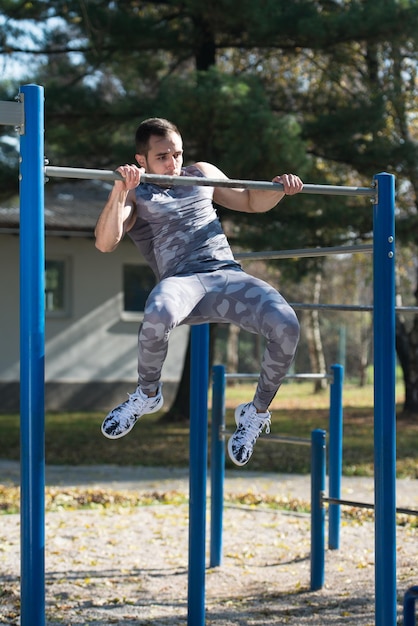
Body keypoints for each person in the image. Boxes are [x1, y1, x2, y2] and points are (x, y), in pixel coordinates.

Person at [95, 117, 303, 466]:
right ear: (141, 159)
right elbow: (105, 243)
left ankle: (255, 412)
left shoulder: (200, 173)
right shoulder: (137, 191)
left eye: (177, 153)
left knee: (287, 325)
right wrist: (119, 191)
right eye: (162, 156)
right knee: (157, 310)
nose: (173, 163)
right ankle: (147, 395)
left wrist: (279, 189)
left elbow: (252, 201)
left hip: (226, 277)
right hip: (182, 284)